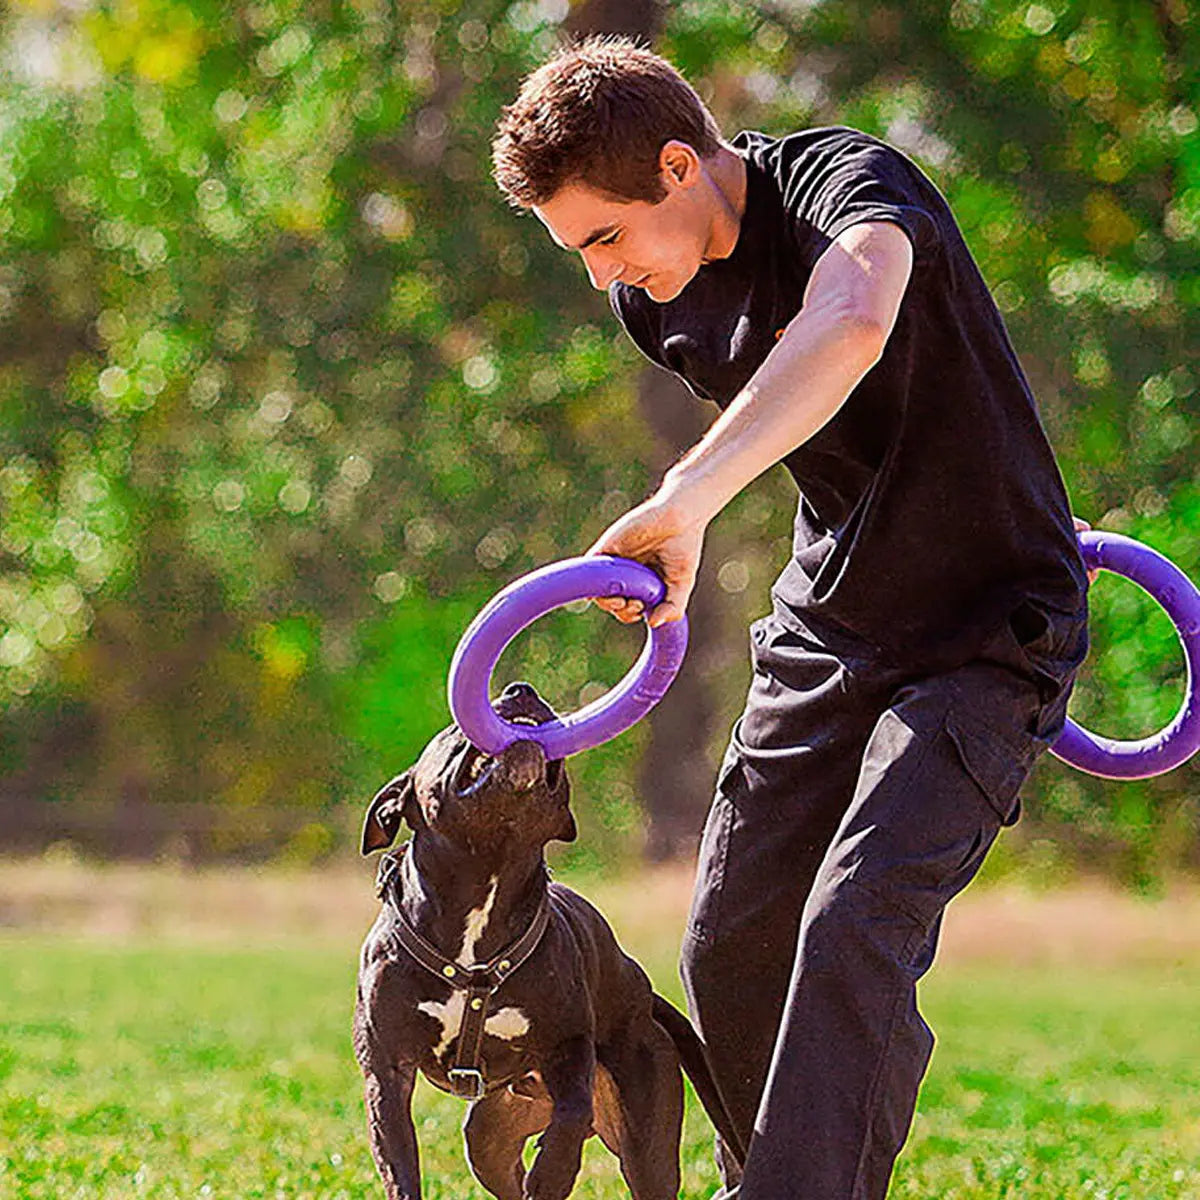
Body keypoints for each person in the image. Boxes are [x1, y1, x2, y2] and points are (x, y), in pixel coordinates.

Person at [492, 37, 1089, 1199]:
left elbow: (851, 322)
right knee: (730, 943)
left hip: (988, 629)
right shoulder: (657, 307)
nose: (603, 276)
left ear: (679, 166)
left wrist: (685, 498)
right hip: (831, 626)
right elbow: (807, 426)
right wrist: (685, 528)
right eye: (579, 253)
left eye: (605, 237)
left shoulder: (842, 184)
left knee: (857, 920)